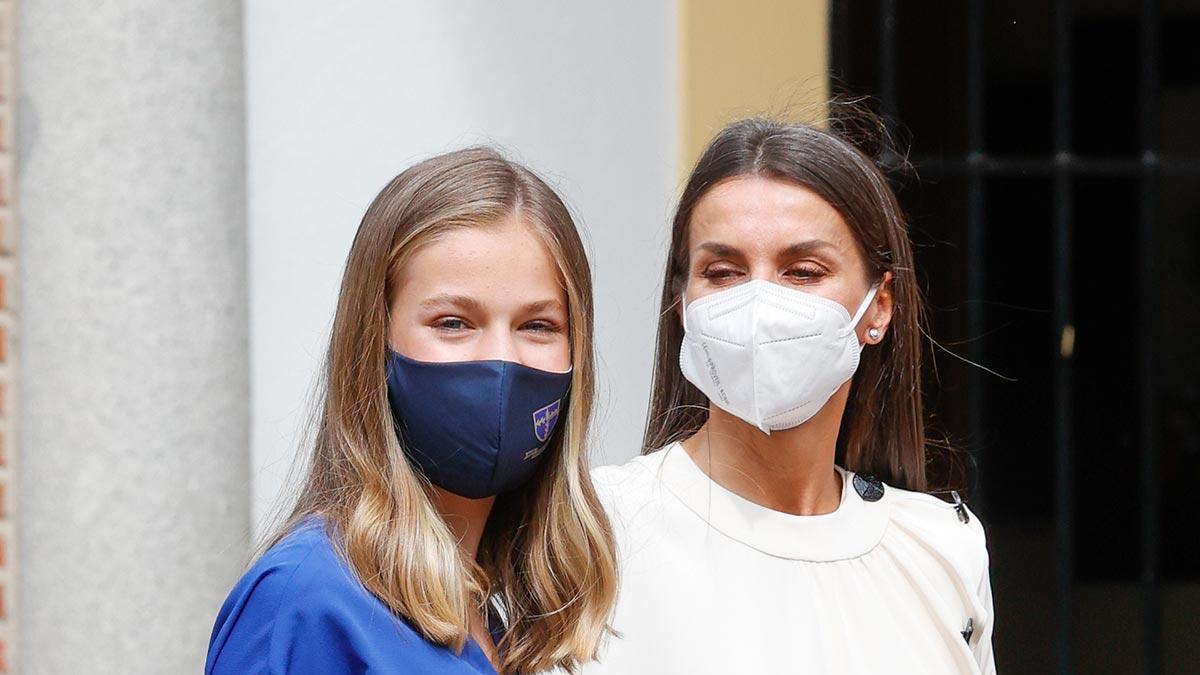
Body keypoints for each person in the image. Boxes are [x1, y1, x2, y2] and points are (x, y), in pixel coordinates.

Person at [583, 117, 997, 674]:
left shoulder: (944, 546)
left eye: (802, 271)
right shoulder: (591, 532)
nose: (759, 302)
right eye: (723, 272)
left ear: (879, 307)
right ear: (683, 304)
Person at [206, 147, 618, 674]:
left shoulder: (496, 622)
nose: (500, 360)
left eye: (538, 326)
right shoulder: (307, 601)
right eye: (452, 322)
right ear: (374, 342)